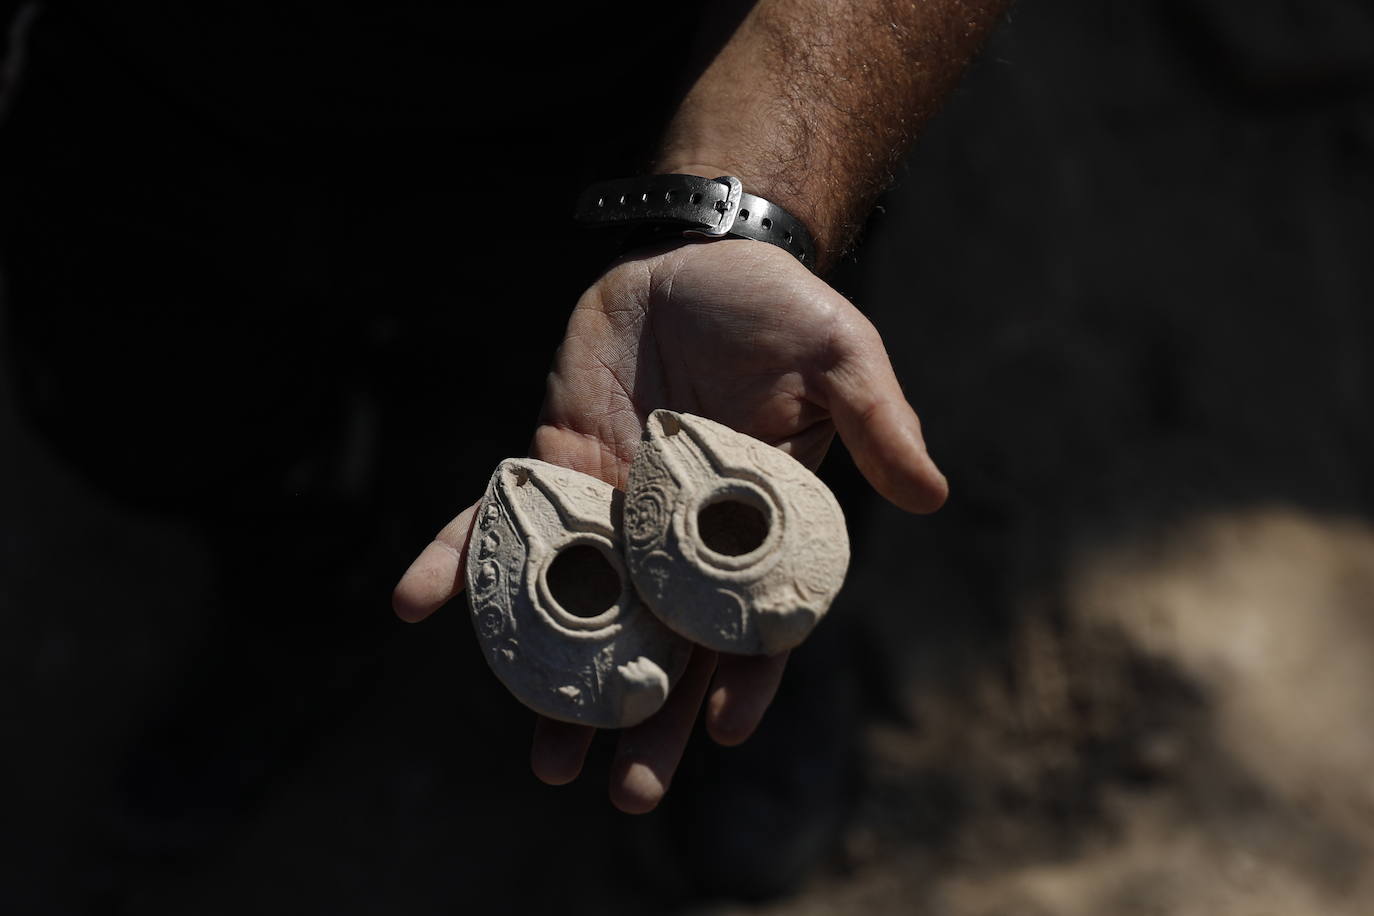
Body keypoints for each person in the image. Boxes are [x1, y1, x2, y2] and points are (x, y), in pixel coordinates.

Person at [390, 0, 1007, 814]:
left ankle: (782, 682)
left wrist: (737, 216)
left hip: (650, 66)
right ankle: (299, 569)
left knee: (786, 404)